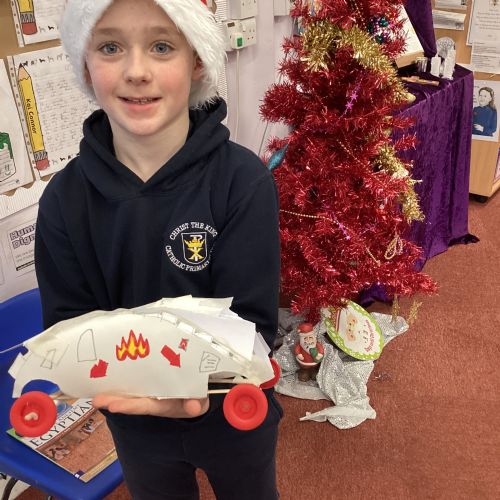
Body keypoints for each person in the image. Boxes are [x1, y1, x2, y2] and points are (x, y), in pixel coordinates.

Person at [35, 0, 281, 498]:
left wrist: (196, 383)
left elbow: (252, 328)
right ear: (86, 63)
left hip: (233, 409)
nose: (136, 71)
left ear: (197, 62)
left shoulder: (242, 182)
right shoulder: (63, 200)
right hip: (135, 426)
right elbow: (70, 329)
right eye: (110, 47)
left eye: (162, 46)